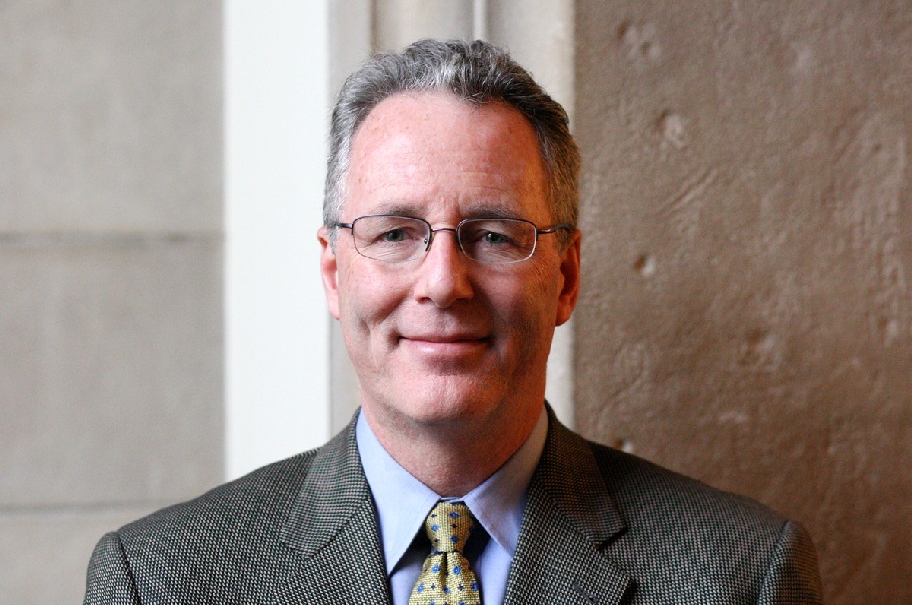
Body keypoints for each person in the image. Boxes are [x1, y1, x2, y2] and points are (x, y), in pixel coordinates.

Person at [84, 39, 823, 604]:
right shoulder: (159, 581)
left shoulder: (742, 575)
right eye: (395, 233)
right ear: (334, 273)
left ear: (565, 278)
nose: (442, 283)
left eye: (494, 235)